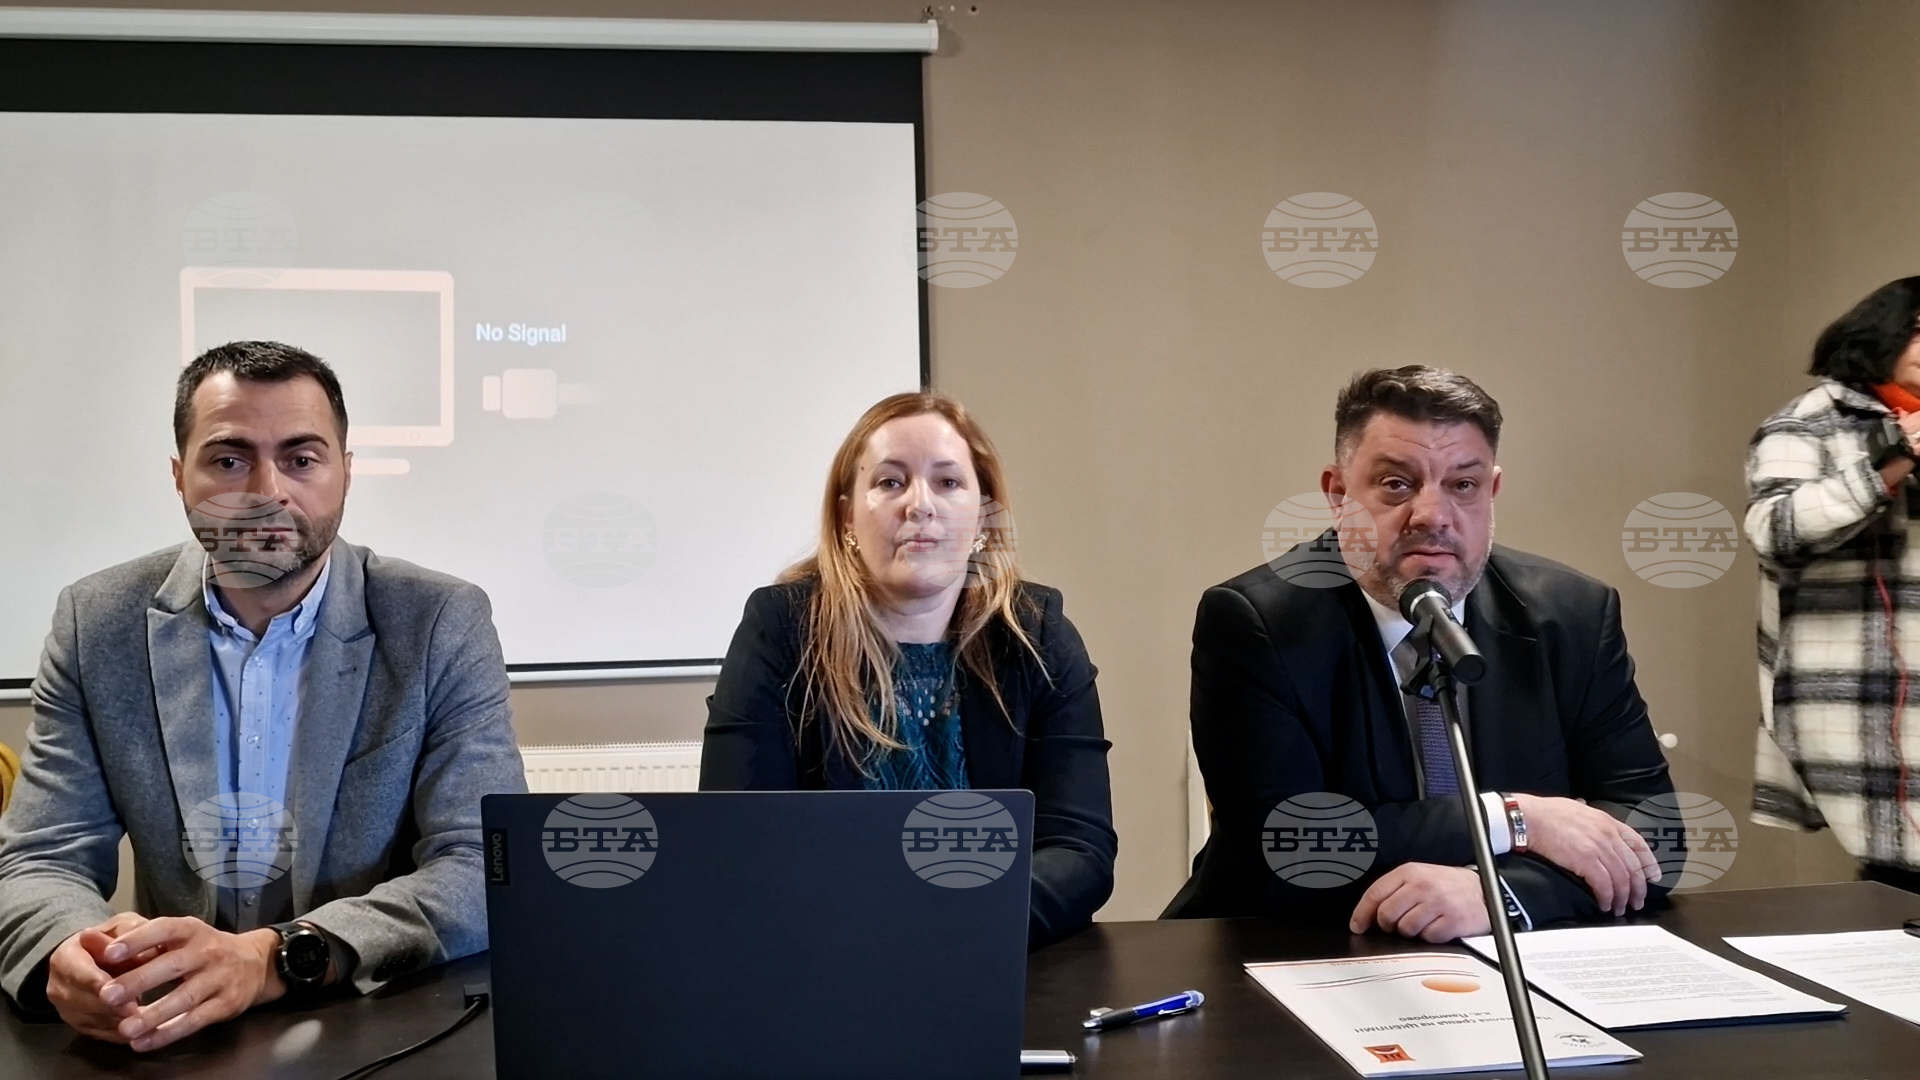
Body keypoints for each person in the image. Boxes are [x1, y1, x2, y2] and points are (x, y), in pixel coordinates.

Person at [0, 342, 526, 1050]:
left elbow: (483, 864)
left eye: (302, 459)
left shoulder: (438, 621)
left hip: (380, 1018)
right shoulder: (97, 623)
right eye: (229, 459)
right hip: (171, 1030)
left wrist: (274, 958)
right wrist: (72, 950)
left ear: (346, 473)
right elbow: (41, 855)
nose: (267, 489)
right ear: (179, 477)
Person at [1164, 366, 1674, 941]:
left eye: (1463, 485)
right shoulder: (1258, 621)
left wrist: (1499, 894)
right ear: (1338, 494)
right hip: (1289, 944)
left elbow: (1655, 834)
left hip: (1498, 953)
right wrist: (1514, 818)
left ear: (1491, 492)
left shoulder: (1573, 614)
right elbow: (1290, 845)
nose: (1432, 515)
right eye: (1396, 484)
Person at [700, 391, 1116, 948]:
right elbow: (739, 839)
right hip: (824, 954)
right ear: (847, 516)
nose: (920, 505)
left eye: (948, 482)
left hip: (996, 954)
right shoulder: (781, 629)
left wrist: (960, 924)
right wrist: (879, 930)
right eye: (890, 482)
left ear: (983, 514)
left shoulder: (1037, 634)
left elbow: (1079, 850)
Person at [1747, 277, 1920, 891]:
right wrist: (1893, 461)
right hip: (1865, 692)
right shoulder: (1809, 423)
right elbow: (1775, 530)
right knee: (1898, 879)